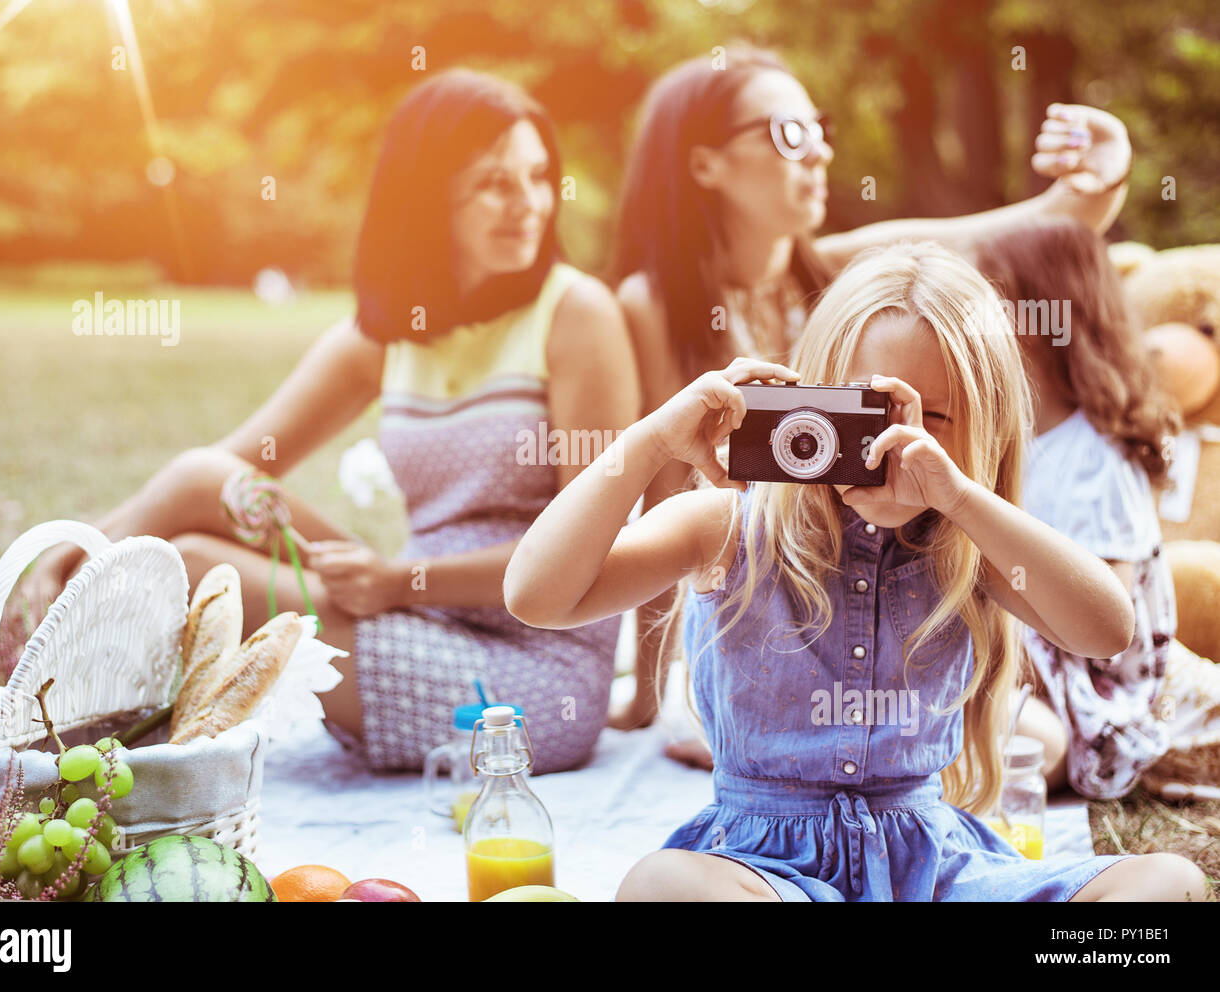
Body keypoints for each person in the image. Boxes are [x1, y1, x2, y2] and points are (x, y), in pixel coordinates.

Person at [505, 241, 1206, 900]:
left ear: (985, 428)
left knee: (1168, 884)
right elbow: (536, 595)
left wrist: (961, 497)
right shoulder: (725, 525)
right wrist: (652, 438)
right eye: (865, 410)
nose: (895, 439)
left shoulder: (966, 545)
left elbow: (1108, 629)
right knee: (661, 886)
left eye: (933, 416)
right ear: (811, 401)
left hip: (933, 868)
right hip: (765, 870)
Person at [21, 69, 639, 774]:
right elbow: (232, 469)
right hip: (417, 606)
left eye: (537, 177)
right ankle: (48, 610)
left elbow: (595, 550)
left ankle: (37, 691)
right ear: (427, 198)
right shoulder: (392, 333)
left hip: (532, 668)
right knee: (202, 485)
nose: (528, 204)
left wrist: (399, 581)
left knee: (198, 566)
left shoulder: (577, 315)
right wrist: (103, 543)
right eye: (495, 184)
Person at [608, 45, 1135, 756]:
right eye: (789, 133)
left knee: (1024, 739)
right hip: (762, 623)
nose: (820, 152)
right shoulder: (651, 307)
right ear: (705, 165)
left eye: (819, 129)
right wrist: (645, 692)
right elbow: (663, 497)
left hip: (884, 604)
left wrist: (1107, 165)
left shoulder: (843, 276)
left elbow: (1030, 229)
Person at [974, 218, 1182, 798]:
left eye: (988, 297)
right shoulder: (1008, 434)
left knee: (1018, 739)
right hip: (1004, 671)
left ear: (1042, 318)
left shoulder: (1098, 458)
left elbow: (1101, 633)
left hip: (1080, 699)